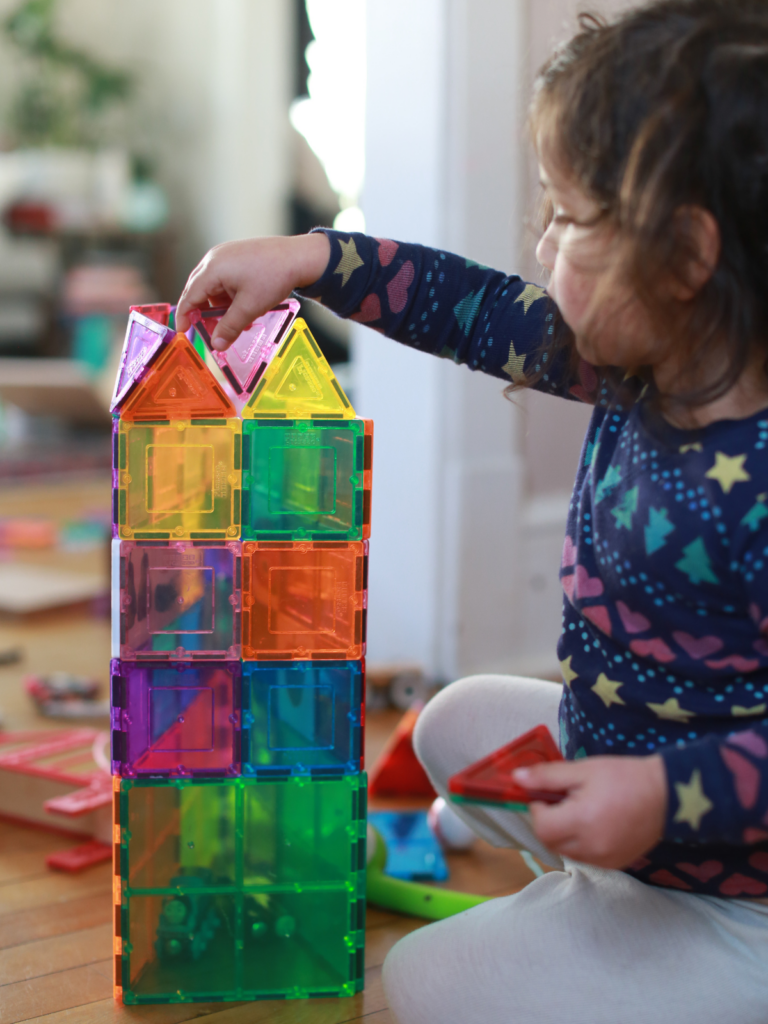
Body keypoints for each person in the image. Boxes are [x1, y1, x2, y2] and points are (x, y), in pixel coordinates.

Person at [176, 2, 768, 1019]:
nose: (542, 239)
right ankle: (610, 908)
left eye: (572, 218)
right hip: (636, 797)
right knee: (453, 722)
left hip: (738, 889)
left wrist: (663, 799)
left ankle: (664, 941)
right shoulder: (644, 361)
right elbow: (475, 308)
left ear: (685, 259)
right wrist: (314, 261)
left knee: (417, 982)